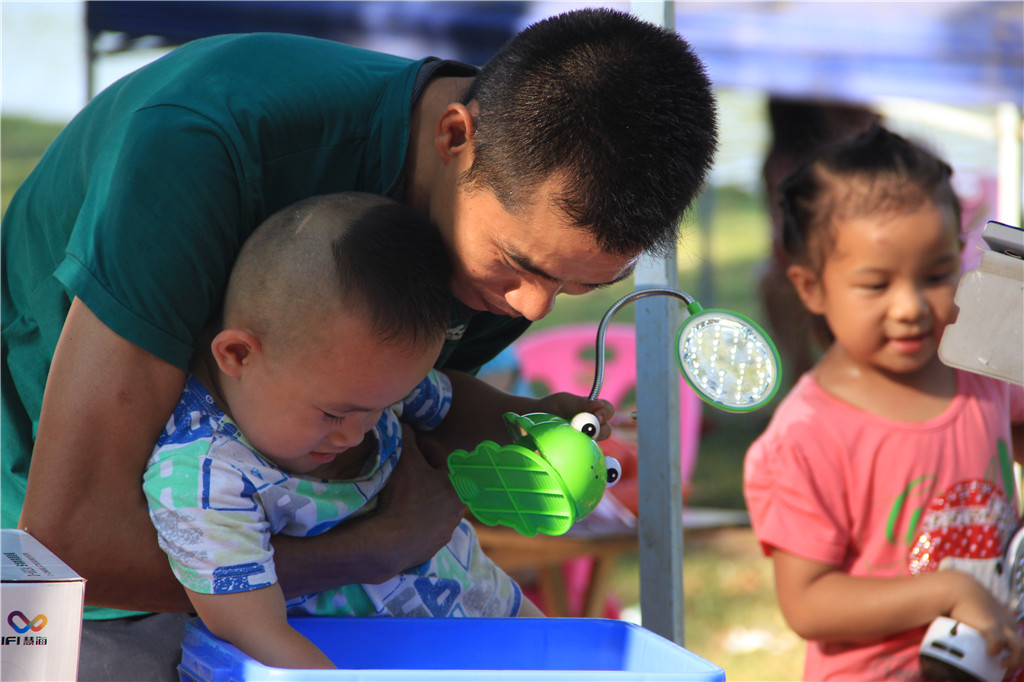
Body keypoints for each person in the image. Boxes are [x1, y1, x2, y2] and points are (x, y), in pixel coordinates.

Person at [1, 7, 717, 679]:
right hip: (73, 564)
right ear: (455, 137)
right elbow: (68, 541)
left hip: (288, 575)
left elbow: (398, 410)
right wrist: (371, 551)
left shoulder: (494, 223)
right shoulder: (201, 146)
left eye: (574, 287)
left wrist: (509, 430)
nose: (529, 306)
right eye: (522, 266)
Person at [144, 193, 541, 670]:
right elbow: (252, 628)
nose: (357, 434)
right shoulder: (205, 477)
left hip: (496, 618)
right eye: (333, 415)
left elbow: (452, 402)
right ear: (238, 355)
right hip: (361, 664)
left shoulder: (365, 380)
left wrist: (537, 417)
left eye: (380, 409)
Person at [743, 126, 1024, 680]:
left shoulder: (978, 369)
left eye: (938, 274)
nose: (911, 307)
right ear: (811, 286)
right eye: (876, 285)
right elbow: (808, 604)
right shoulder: (805, 436)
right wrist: (947, 591)